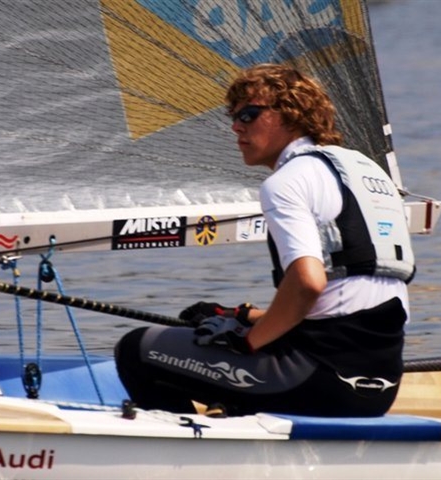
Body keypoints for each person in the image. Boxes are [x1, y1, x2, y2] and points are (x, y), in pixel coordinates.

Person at [115, 64, 415, 417]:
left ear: (291, 114)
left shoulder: (287, 182)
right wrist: (244, 317)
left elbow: (308, 284)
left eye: (248, 114)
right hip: (378, 387)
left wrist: (246, 340)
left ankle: (187, 443)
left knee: (136, 348)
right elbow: (349, 301)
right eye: (234, 116)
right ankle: (231, 415)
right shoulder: (365, 171)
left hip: (315, 381)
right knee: (232, 339)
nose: (236, 126)